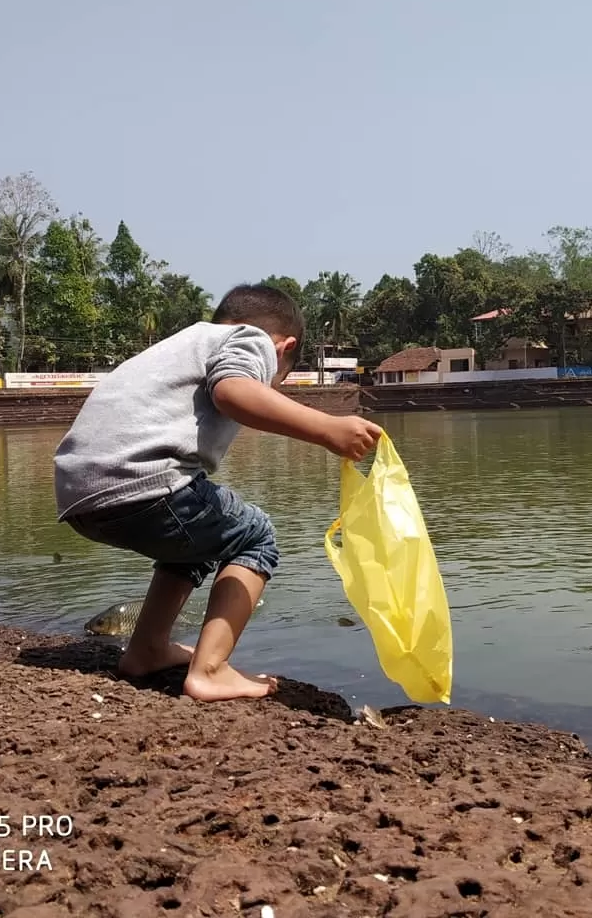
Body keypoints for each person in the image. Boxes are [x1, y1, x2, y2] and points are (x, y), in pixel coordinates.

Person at [53, 284, 382, 702]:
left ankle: (147, 649)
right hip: (141, 480)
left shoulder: (185, 343)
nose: (271, 385)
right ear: (285, 348)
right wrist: (327, 428)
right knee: (255, 535)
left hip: (78, 493)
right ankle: (210, 670)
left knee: (198, 540)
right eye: (276, 381)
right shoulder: (249, 339)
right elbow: (233, 392)